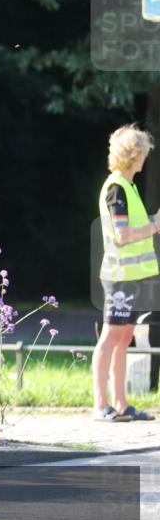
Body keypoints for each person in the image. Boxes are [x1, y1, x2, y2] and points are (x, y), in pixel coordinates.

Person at [92, 123, 158, 422]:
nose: (145, 156)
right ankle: (101, 405)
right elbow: (122, 235)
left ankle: (120, 404)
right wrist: (156, 225)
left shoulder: (127, 186)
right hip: (119, 276)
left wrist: (153, 219)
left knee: (124, 336)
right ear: (133, 155)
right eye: (142, 151)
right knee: (110, 337)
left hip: (130, 277)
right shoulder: (117, 187)